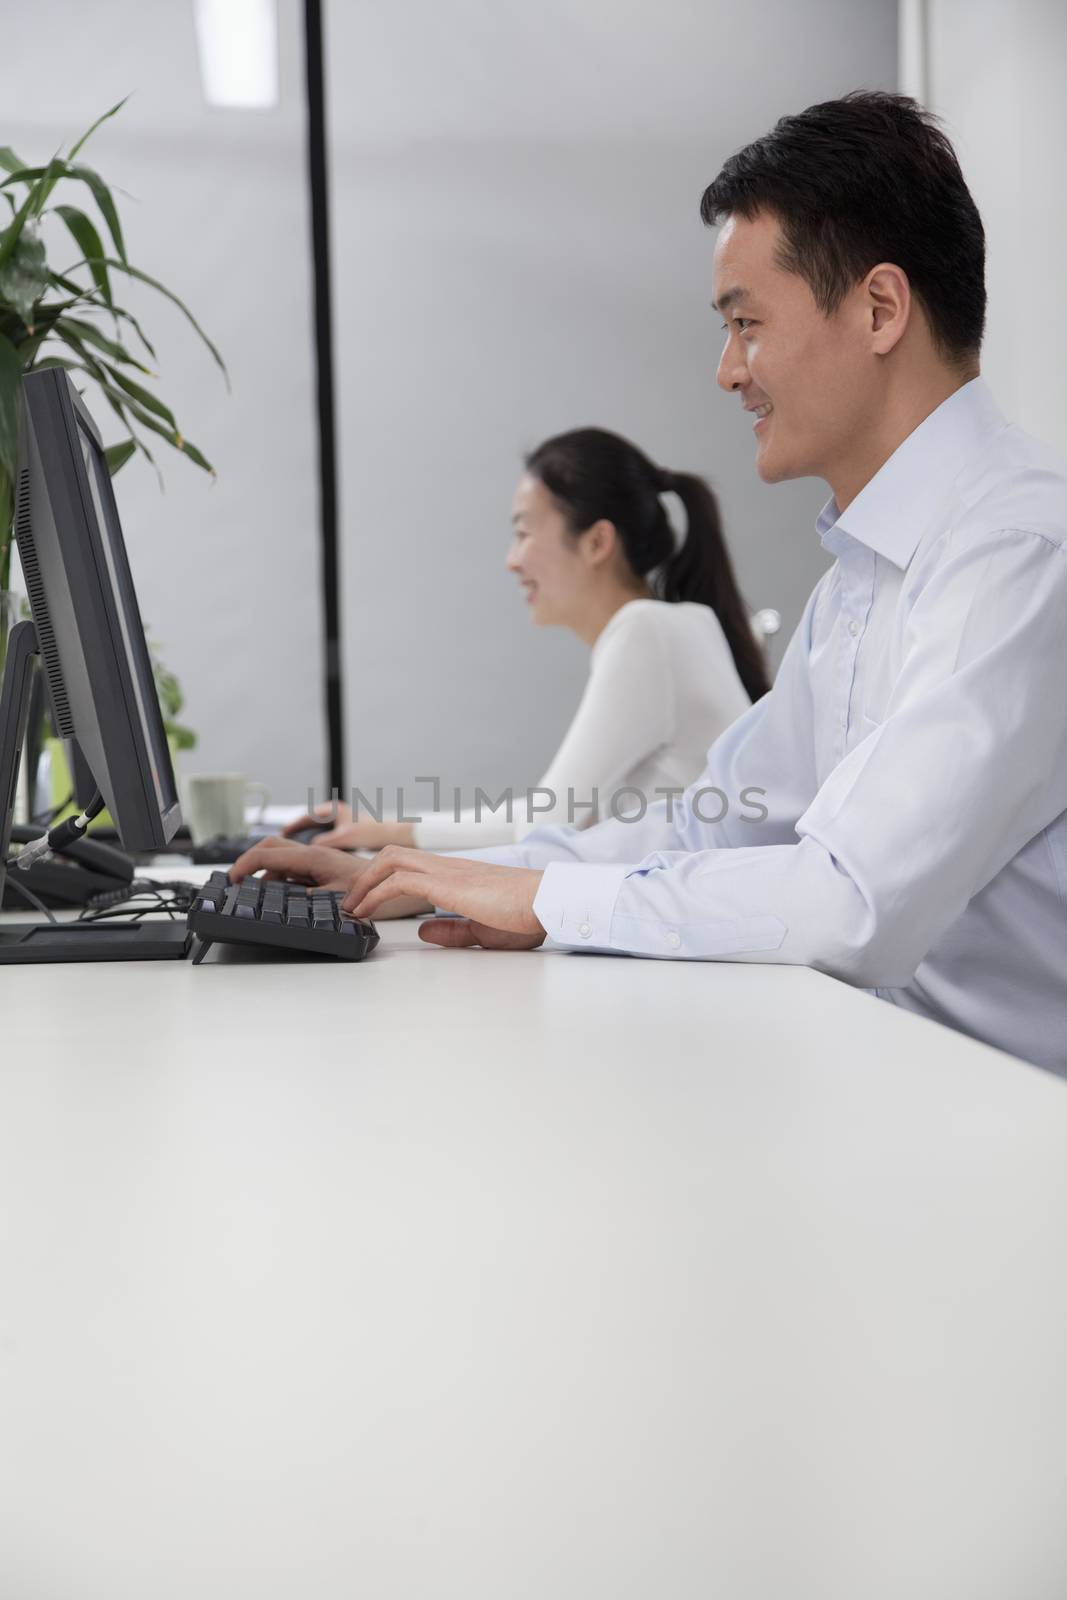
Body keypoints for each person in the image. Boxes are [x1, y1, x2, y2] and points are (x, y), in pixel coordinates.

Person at [235, 91, 1067, 1075]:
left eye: (744, 323)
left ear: (879, 309)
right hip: (881, 1084)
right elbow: (706, 823)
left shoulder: (1015, 552)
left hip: (1002, 1138)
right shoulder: (862, 576)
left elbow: (852, 908)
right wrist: (436, 877)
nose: (726, 371)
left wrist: (539, 898)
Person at [283, 428, 766, 851]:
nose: (511, 560)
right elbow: (550, 813)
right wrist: (386, 830)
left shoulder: (646, 632)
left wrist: (392, 838)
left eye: (523, 533)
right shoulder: (673, 627)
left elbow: (541, 825)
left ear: (597, 542)